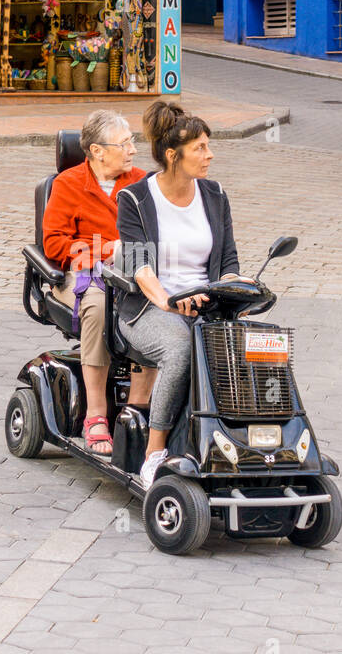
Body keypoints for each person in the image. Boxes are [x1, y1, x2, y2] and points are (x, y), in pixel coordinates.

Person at [116, 101, 244, 489]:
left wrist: (233, 285)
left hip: (206, 306)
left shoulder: (215, 194)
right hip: (149, 310)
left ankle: (237, 440)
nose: (209, 154)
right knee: (181, 349)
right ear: (173, 156)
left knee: (251, 349)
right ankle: (155, 450)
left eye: (208, 146)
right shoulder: (135, 198)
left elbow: (229, 258)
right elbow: (140, 267)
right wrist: (169, 301)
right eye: (200, 148)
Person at [43, 111, 156, 454]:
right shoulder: (68, 184)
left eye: (132, 142)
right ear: (96, 150)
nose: (133, 150)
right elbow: (54, 245)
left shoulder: (142, 182)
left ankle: (138, 409)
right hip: (81, 274)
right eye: (124, 144)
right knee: (98, 306)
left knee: (153, 309)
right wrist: (106, 251)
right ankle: (96, 415)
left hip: (132, 272)